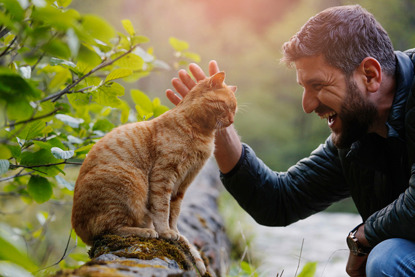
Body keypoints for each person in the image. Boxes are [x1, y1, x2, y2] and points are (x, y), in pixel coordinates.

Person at [166, 5, 415, 277]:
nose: (307, 105)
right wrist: (217, 125)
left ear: (370, 75)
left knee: (387, 260)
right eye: (304, 88)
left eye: (318, 85)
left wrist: (363, 237)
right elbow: (278, 201)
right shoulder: (357, 137)